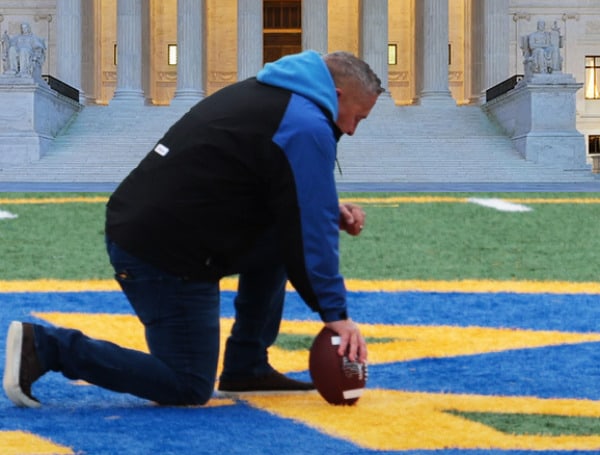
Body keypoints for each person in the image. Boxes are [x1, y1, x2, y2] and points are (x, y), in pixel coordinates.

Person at [3, 50, 384, 408]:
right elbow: (309, 234)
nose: (351, 130)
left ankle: (247, 364)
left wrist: (323, 206)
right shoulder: (305, 123)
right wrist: (336, 315)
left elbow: (273, 189)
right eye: (358, 117)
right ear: (335, 94)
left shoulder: (278, 96)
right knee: (187, 384)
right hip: (164, 252)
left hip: (162, 227)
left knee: (281, 235)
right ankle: (48, 347)